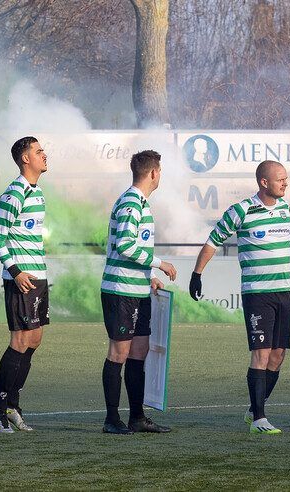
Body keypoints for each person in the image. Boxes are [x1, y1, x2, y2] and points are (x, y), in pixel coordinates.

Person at [189, 160, 290, 435]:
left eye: (286, 178)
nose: (285, 183)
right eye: (280, 179)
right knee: (260, 354)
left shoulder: (285, 208)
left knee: (278, 356)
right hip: (257, 295)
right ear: (264, 182)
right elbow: (213, 241)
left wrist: (288, 258)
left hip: (283, 292)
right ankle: (259, 418)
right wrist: (197, 273)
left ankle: (253, 408)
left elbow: (277, 239)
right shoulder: (241, 210)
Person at [100, 150, 177, 435]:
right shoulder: (132, 202)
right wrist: (160, 263)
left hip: (137, 288)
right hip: (120, 290)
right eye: (161, 172)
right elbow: (125, 245)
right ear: (154, 173)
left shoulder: (140, 202)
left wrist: (151, 277)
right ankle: (111, 419)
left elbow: (133, 249)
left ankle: (137, 417)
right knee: (118, 353)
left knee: (139, 351)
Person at [0, 136, 49, 433]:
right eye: (38, 151)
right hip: (21, 279)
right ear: (26, 159)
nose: (44, 154)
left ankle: (12, 405)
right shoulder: (14, 193)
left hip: (39, 276)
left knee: (34, 340)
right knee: (20, 340)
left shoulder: (37, 193)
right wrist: (15, 271)